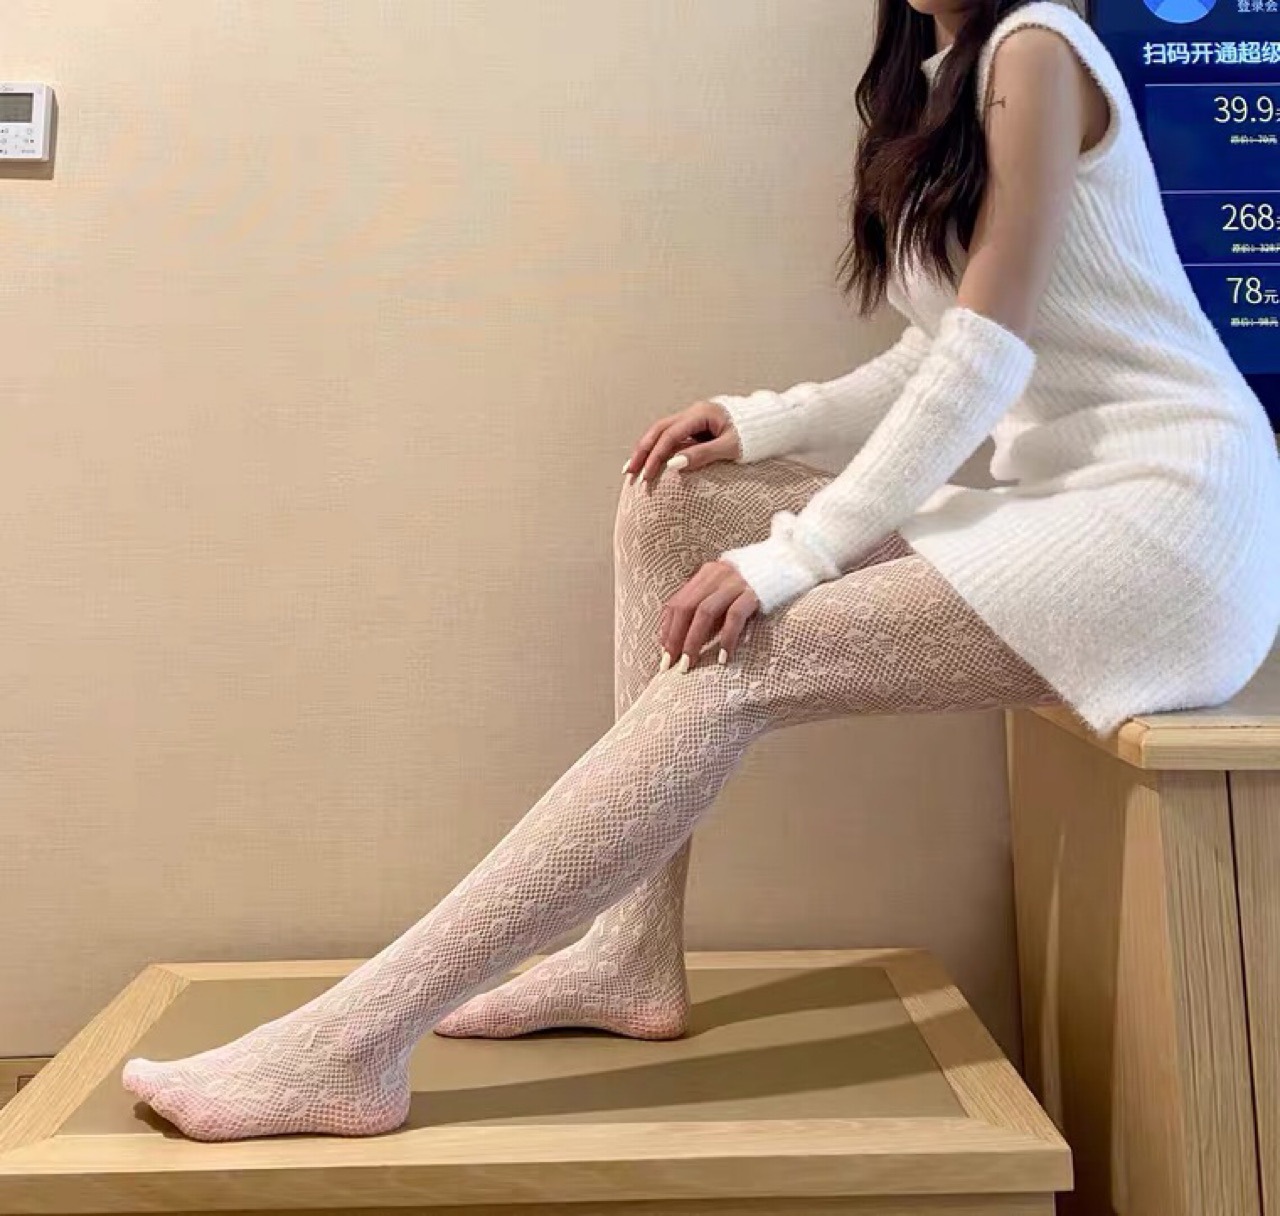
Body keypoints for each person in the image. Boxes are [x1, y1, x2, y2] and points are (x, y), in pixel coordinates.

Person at [120, 0, 1280, 1140]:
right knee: (671, 499)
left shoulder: (1036, 49)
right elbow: (932, 351)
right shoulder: (936, 76)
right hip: (1061, 504)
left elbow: (984, 356)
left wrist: (800, 554)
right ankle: (627, 954)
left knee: (735, 657)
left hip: (1166, 527)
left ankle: (354, 1041)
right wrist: (764, 420)